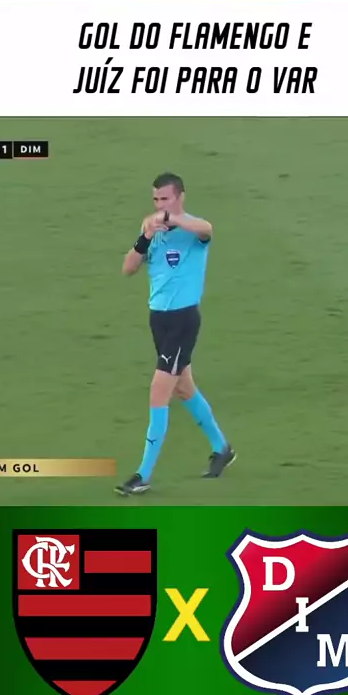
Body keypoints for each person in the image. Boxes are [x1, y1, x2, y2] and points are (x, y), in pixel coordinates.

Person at [114, 172, 235, 496]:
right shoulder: (151, 230)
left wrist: (173, 220)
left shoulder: (193, 229)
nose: (159, 205)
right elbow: (128, 268)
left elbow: (208, 229)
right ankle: (222, 448)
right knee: (183, 388)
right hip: (159, 320)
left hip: (183, 320)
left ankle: (143, 474)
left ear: (180, 197)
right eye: (156, 200)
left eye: (165, 199)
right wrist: (145, 236)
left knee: (159, 391)